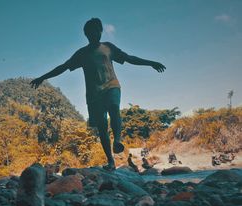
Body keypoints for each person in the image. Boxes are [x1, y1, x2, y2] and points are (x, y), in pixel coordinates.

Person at [31, 18, 166, 171]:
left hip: (111, 86)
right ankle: (110, 161)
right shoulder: (81, 54)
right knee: (102, 127)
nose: (94, 33)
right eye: (91, 31)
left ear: (101, 31)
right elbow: (63, 67)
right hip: (94, 94)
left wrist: (151, 63)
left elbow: (129, 58)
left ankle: (118, 141)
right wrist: (42, 77)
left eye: (97, 30)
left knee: (114, 107)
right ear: (86, 34)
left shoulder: (108, 47)